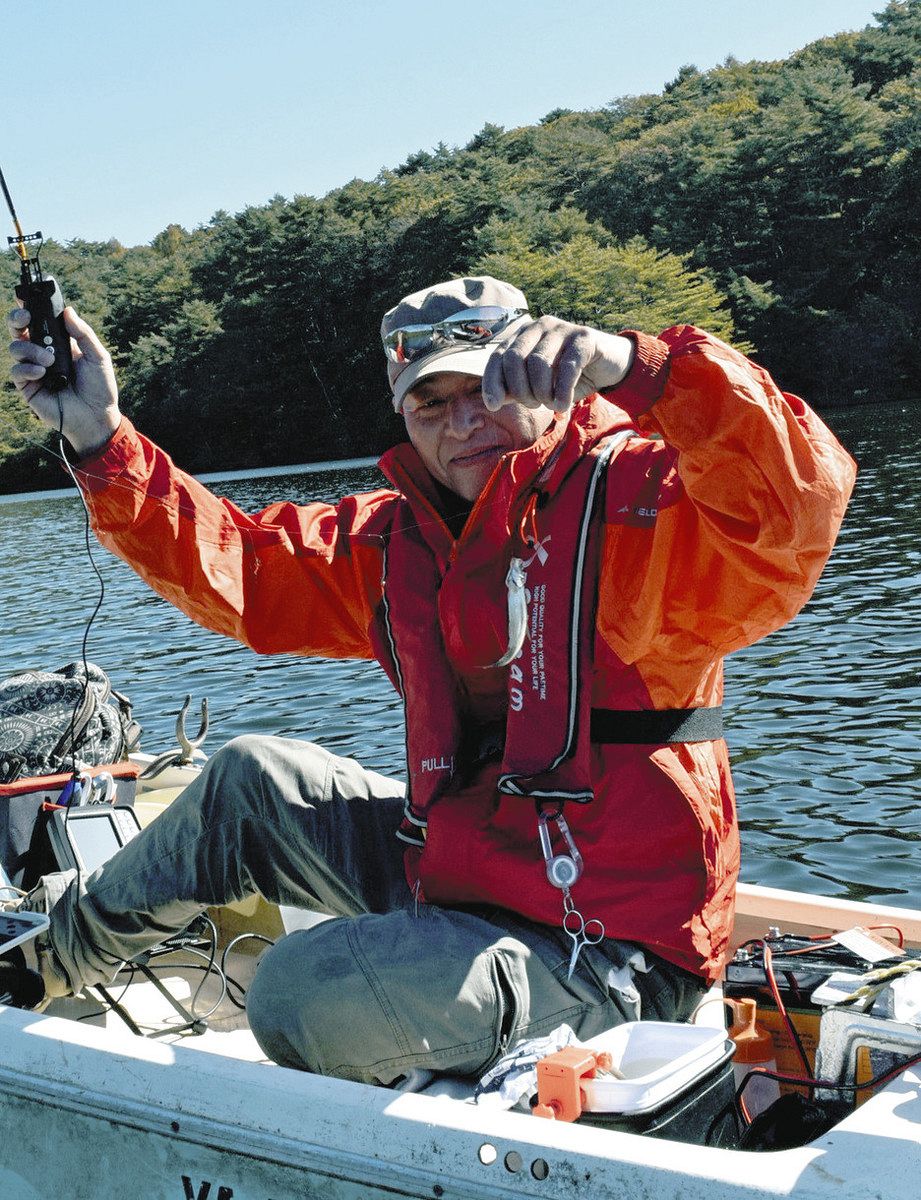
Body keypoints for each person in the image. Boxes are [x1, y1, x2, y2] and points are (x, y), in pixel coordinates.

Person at [5, 276, 855, 1084]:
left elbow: (793, 507)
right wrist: (98, 436)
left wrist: (644, 369)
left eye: (489, 389)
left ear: (551, 381)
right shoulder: (391, 540)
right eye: (431, 402)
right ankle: (33, 975)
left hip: (607, 951)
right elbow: (243, 571)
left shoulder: (641, 506)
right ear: (405, 415)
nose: (463, 423)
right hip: (458, 878)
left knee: (301, 989)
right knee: (250, 779)